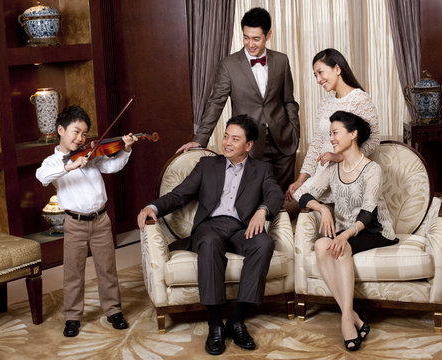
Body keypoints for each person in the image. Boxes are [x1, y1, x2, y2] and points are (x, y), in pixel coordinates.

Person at [138, 114, 284, 356]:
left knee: (263, 243)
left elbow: (275, 195)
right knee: (208, 241)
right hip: (211, 226)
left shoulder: (262, 170)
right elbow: (179, 194)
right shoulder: (207, 165)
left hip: (241, 228)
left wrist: (263, 209)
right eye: (226, 136)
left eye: (235, 139)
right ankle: (215, 323)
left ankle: (237, 319)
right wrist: (151, 207)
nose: (227, 142)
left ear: (248, 145)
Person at [298, 110, 398, 351]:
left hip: (374, 230)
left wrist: (344, 235)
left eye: (335, 133)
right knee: (321, 245)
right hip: (347, 230)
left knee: (340, 249)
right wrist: (322, 209)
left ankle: (346, 321)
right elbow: (303, 194)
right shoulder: (333, 168)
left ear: (353, 134)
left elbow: (368, 213)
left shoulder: (372, 169)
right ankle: (353, 314)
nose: (331, 138)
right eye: (330, 133)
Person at [36, 105, 139, 337]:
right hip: (75, 223)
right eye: (76, 132)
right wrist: (69, 166)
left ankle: (113, 311)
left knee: (107, 268)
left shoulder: (90, 155)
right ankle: (72, 317)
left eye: (84, 133)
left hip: (101, 220)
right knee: (73, 271)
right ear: (61, 130)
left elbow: (112, 166)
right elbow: (42, 177)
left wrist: (126, 149)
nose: (80, 138)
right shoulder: (53, 162)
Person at [176, 7, 299, 191]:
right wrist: (200, 139)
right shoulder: (229, 65)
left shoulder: (281, 60)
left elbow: (288, 100)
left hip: (283, 142)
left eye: (256, 38)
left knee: (283, 201)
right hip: (248, 144)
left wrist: (294, 129)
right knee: (251, 199)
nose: (250, 44)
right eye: (246, 37)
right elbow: (216, 103)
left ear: (268, 35)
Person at [286, 48, 380, 202]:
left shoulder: (359, 99)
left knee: (292, 207)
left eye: (321, 72)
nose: (318, 79)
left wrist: (340, 157)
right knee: (285, 204)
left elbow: (374, 141)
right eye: (315, 75)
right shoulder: (325, 103)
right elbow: (317, 144)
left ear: (337, 69)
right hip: (322, 173)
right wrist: (300, 180)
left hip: (348, 173)